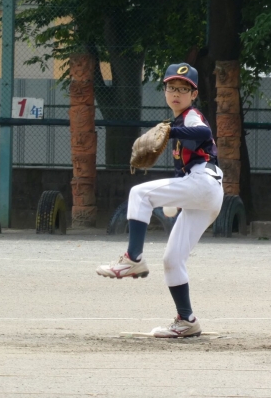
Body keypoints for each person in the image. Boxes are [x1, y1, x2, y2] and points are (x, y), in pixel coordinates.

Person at [96, 63, 224, 338]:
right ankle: (187, 321)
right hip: (206, 194)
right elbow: (183, 171)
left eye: (183, 89)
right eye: (172, 87)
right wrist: (175, 199)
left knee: (139, 194)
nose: (176, 93)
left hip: (204, 182)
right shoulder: (177, 124)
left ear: (194, 95)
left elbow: (204, 133)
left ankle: (132, 258)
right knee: (172, 259)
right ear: (165, 91)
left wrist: (170, 131)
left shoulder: (190, 117)